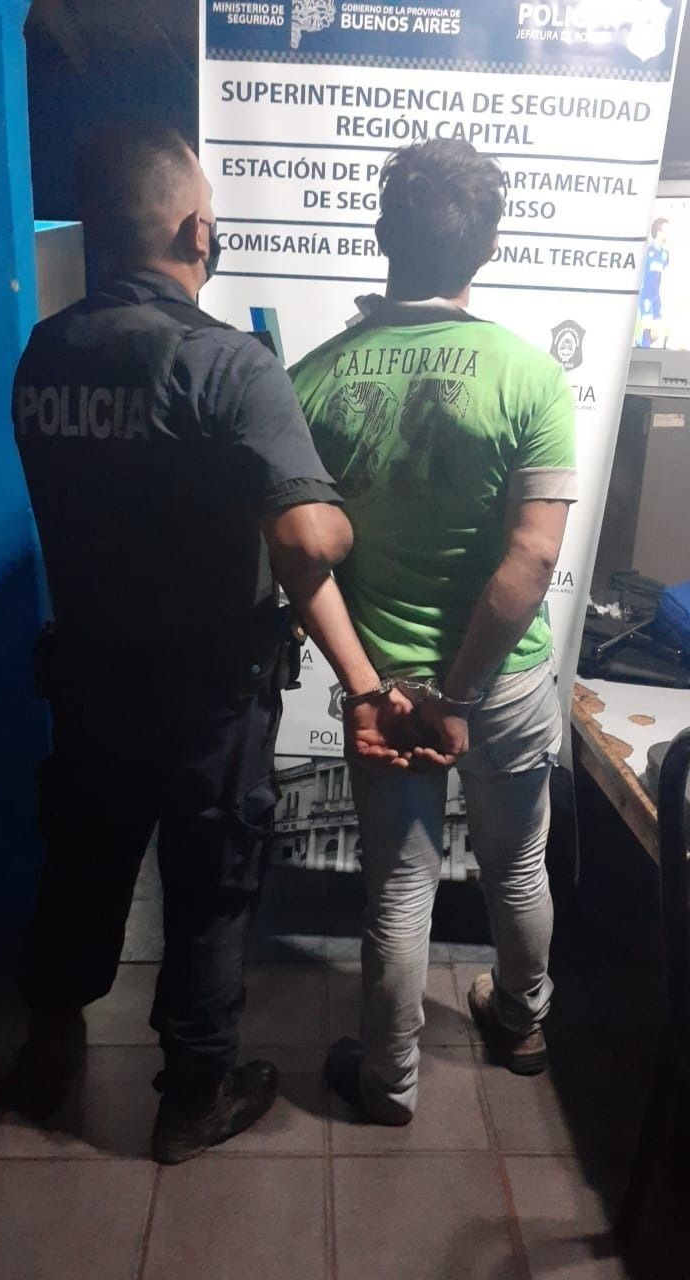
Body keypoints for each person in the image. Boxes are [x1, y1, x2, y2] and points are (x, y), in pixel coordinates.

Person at [8, 123, 408, 1163]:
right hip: (206, 697)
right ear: (197, 230)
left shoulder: (47, 351)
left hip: (88, 679)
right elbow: (309, 538)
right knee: (209, 888)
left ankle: (48, 1048)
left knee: (82, 864)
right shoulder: (227, 363)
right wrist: (339, 515)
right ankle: (194, 1092)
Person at [290, 139, 577, 1124]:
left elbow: (300, 557)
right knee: (518, 865)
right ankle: (522, 1024)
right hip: (501, 682)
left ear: (382, 234)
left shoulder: (310, 380)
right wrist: (460, 696)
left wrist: (373, 690)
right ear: (487, 246)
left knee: (399, 888)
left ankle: (389, 1081)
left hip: (386, 688)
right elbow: (532, 557)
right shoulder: (530, 375)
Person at [637, 216, 670, 348]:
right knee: (647, 330)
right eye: (667, 230)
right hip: (645, 296)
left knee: (657, 334)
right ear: (659, 232)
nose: (669, 234)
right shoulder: (646, 250)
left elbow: (664, 276)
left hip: (656, 298)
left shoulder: (665, 253)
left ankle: (639, 343)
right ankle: (642, 346)